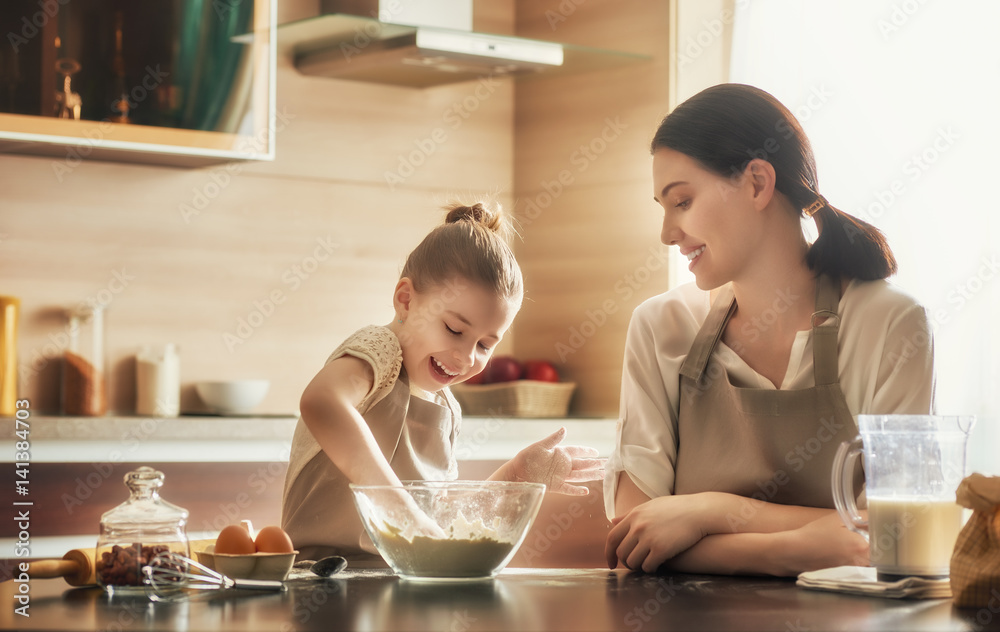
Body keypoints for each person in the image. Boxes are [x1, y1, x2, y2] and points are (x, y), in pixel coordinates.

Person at [604, 84, 935, 576]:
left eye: (683, 201)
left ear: (757, 183)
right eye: (663, 207)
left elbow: (900, 534)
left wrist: (707, 511)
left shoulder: (890, 325)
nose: (667, 233)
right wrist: (799, 549)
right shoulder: (660, 327)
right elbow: (636, 535)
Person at [282, 201, 605, 562]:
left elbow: (438, 518)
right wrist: (393, 501)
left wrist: (513, 476)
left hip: (396, 584)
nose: (467, 357)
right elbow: (321, 401)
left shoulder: (447, 407)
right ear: (406, 301)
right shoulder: (380, 352)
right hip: (320, 577)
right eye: (453, 329)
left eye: (484, 345)